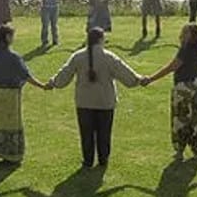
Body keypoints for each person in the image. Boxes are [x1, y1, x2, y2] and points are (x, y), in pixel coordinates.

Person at [47, 28, 146, 168]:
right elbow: (127, 75)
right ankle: (103, 160)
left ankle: (88, 161)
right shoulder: (109, 57)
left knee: (86, 134)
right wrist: (139, 79)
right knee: (104, 133)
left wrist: (53, 82)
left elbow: (64, 75)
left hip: (84, 102)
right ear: (101, 39)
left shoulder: (78, 56)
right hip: (105, 101)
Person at [143, 23, 197, 160]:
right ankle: (196, 149)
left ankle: (180, 150)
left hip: (182, 87)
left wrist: (151, 78)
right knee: (196, 118)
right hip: (196, 86)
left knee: (180, 118)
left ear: (187, 34)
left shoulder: (185, 50)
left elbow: (172, 67)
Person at [0, 26, 45, 163]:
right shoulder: (13, 57)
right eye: (12, 36)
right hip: (11, 94)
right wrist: (42, 86)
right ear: (6, 37)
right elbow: (26, 75)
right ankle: (10, 154)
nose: (13, 39)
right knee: (10, 123)